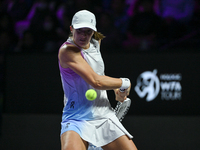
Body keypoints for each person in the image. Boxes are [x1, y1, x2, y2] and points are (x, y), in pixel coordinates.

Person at [58, 10, 137, 150]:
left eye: (88, 31)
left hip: (104, 115)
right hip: (77, 119)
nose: (83, 35)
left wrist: (114, 87)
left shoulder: (96, 43)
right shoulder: (67, 51)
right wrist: (125, 82)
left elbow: (98, 73)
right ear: (71, 29)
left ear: (94, 31)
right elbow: (97, 81)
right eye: (79, 30)